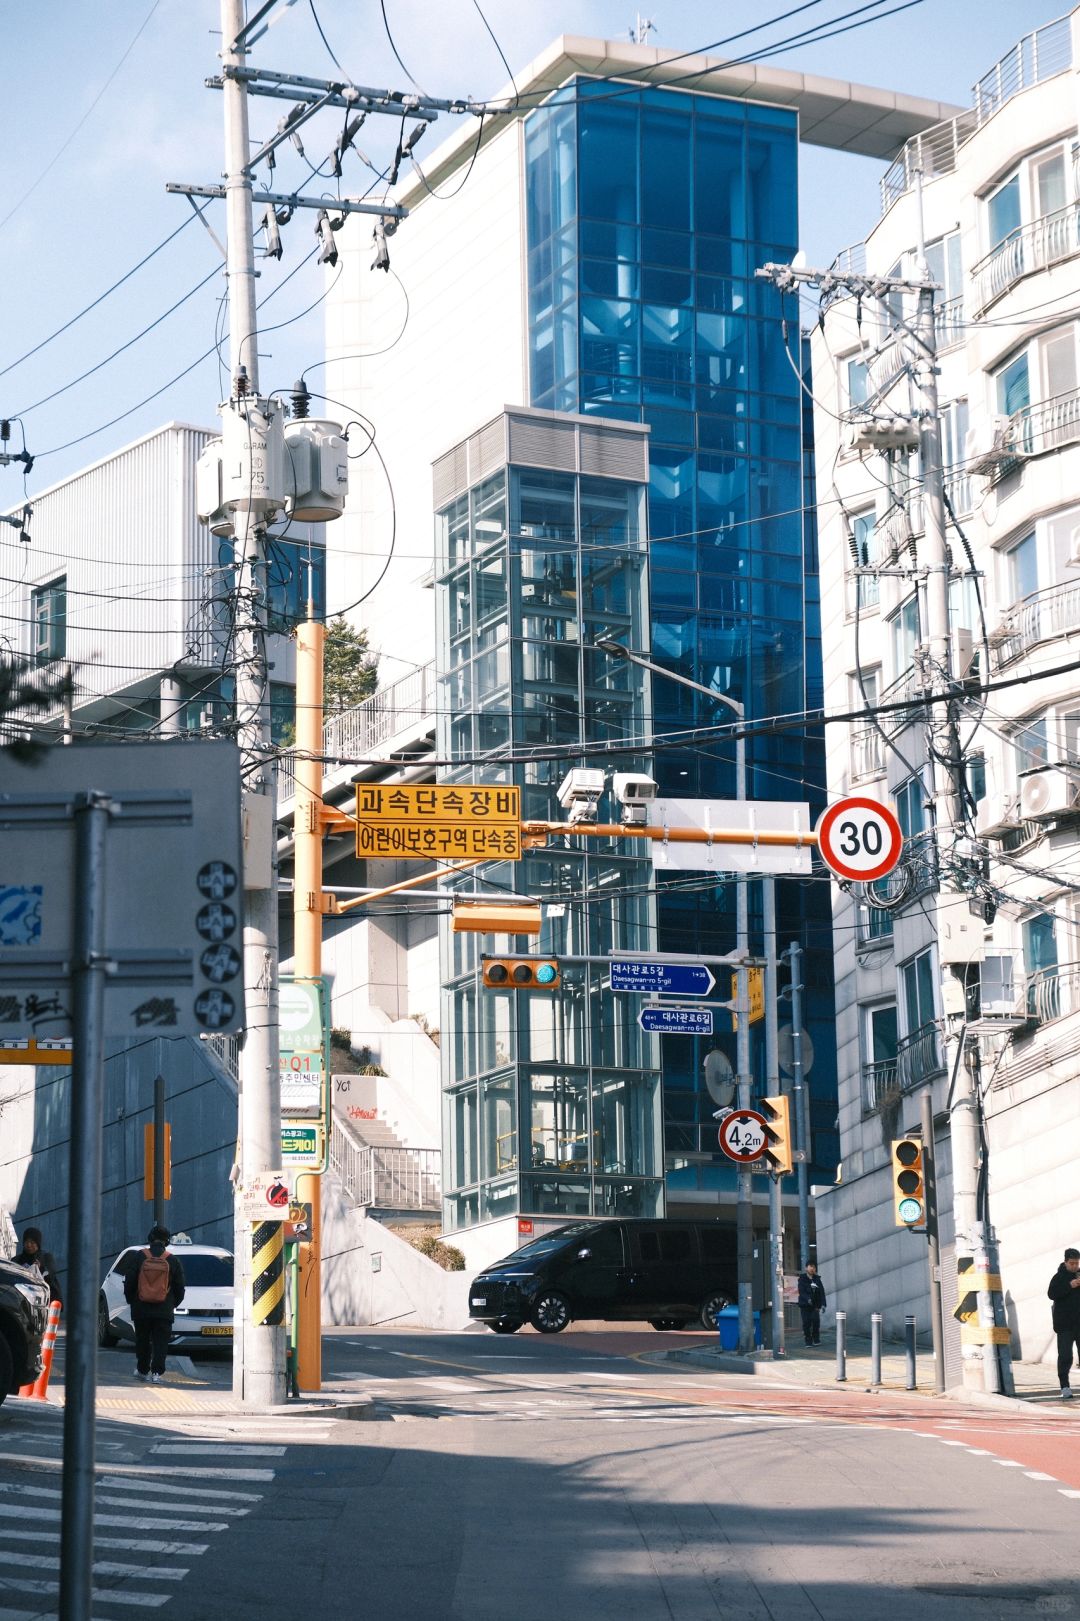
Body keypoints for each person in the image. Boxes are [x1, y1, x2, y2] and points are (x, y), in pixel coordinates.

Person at [122, 1225, 185, 1383]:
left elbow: (129, 1281)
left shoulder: (139, 1257)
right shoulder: (172, 1260)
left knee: (142, 1340)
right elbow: (180, 1288)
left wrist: (132, 1300)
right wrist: (172, 1304)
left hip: (141, 1308)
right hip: (164, 1309)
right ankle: (157, 1373)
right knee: (161, 1342)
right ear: (167, 1241)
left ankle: (142, 1370)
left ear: (150, 1238)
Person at [1047, 1247, 1080, 1400]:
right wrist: (1069, 1286)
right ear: (1065, 1262)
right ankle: (1065, 1386)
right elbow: (1051, 1294)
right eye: (1072, 1263)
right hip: (1065, 1325)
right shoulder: (1058, 1277)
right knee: (1066, 1356)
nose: (1075, 1266)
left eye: (1077, 1263)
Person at [13, 1227, 62, 1304]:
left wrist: (41, 1268)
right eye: (26, 1242)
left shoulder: (46, 1257)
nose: (29, 1245)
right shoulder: (16, 1260)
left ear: (38, 1244)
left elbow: (51, 1274)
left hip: (46, 1300)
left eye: (32, 1242)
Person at [798, 1262, 827, 1346]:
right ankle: (808, 1340)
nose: (812, 1268)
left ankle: (816, 1339)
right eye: (810, 1266)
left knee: (816, 1322)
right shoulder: (802, 1279)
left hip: (815, 1305)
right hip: (805, 1305)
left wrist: (823, 1304)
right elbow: (801, 1292)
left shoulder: (817, 1279)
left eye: (814, 1267)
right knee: (806, 1323)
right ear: (806, 1268)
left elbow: (822, 1292)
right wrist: (808, 1299)